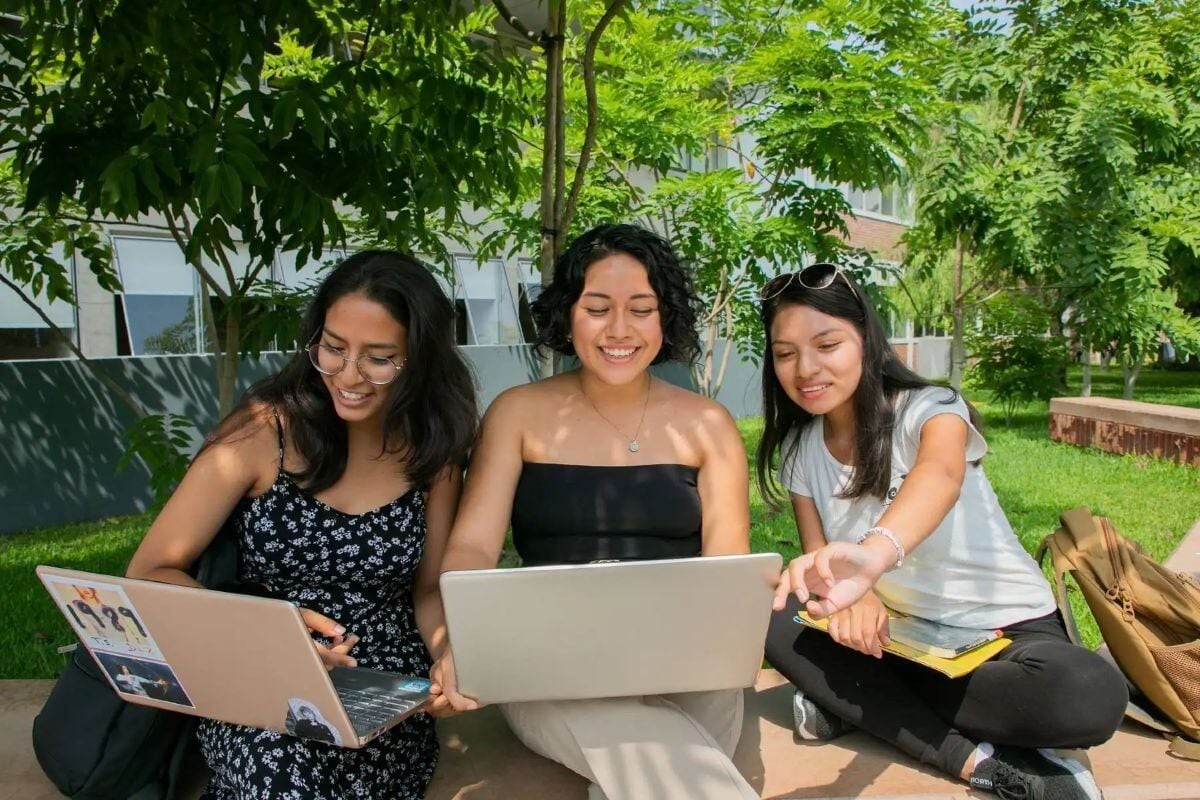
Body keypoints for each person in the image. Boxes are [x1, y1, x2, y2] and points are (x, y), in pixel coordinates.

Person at [756, 263, 1128, 800]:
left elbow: (941, 475)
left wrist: (872, 559)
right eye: (785, 353)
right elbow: (819, 566)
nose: (805, 368)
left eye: (827, 345)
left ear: (866, 339)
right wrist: (850, 598)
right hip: (897, 638)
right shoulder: (800, 450)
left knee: (1087, 695)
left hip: (1002, 632)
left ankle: (862, 704)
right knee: (770, 611)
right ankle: (973, 760)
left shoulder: (932, 408)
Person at [126, 251, 476, 800]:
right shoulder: (263, 431)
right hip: (260, 674)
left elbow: (428, 589)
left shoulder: (433, 452)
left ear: (420, 360)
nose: (348, 376)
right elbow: (150, 569)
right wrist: (269, 635)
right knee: (279, 771)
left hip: (382, 687)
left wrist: (447, 656)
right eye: (333, 348)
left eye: (379, 358)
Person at [430, 224, 758, 800]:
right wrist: (462, 635)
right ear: (567, 315)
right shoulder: (517, 414)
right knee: (662, 767)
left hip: (686, 664)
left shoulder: (710, 426)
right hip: (548, 665)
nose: (619, 330)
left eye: (642, 310)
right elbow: (473, 545)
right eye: (597, 308)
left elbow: (727, 569)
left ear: (665, 318)